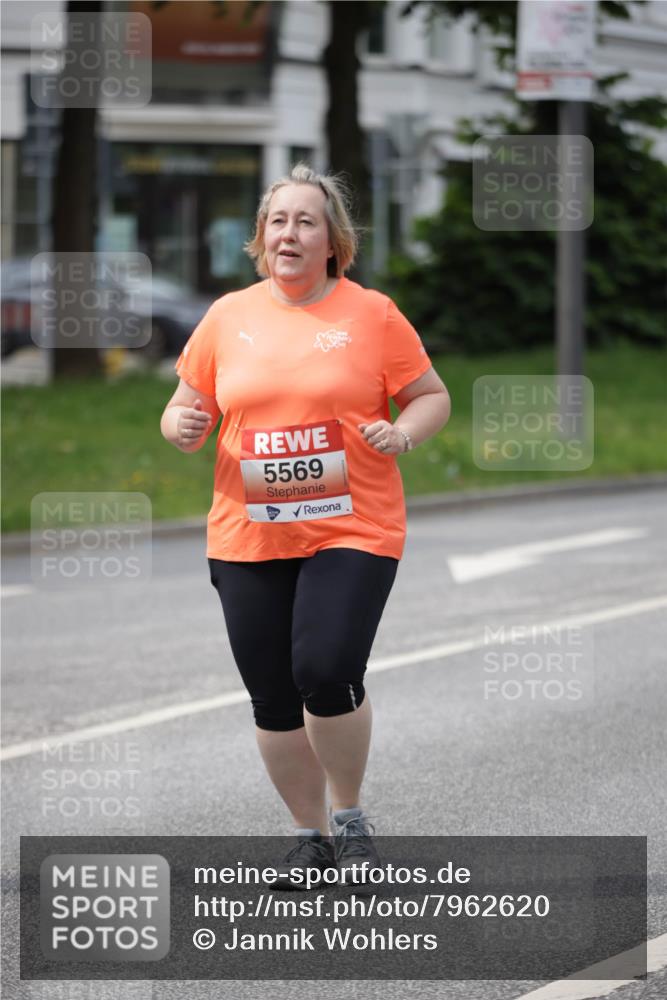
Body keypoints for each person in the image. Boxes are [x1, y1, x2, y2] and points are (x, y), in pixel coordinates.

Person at [160, 164, 450, 888]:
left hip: (352, 524)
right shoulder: (228, 316)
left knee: (324, 669)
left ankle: (349, 818)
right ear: (262, 238)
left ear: (332, 242)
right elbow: (181, 406)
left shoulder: (371, 314)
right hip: (248, 531)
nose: (289, 233)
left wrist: (403, 434)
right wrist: (181, 424)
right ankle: (308, 837)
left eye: (306, 222)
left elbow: (429, 395)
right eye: (278, 221)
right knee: (271, 693)